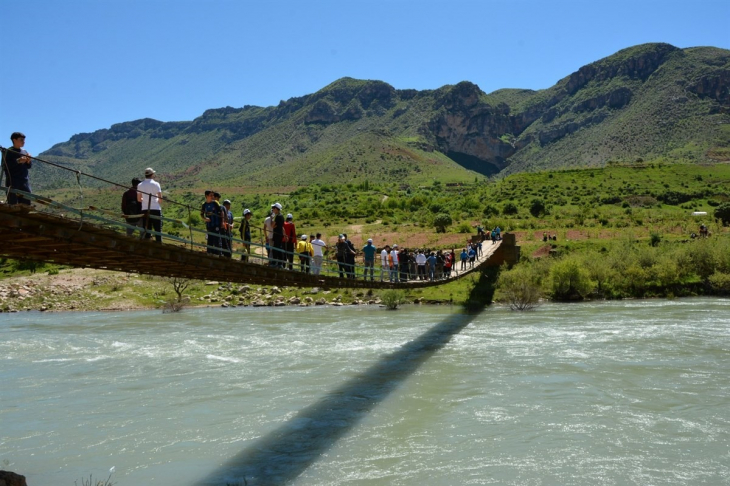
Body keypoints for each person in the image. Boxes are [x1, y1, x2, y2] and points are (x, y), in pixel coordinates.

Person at [2, 132, 33, 205]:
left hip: (24, 181)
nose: (23, 142)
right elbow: (4, 166)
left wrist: (28, 161)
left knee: (26, 203)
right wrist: (18, 161)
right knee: (13, 203)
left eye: (24, 140)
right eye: (21, 140)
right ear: (14, 140)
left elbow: (29, 166)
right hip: (13, 181)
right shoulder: (8, 151)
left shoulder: (24, 152)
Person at [137, 168, 163, 243]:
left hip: (145, 209)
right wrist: (156, 201)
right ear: (152, 175)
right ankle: (159, 244)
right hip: (156, 209)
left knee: (147, 229)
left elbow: (139, 199)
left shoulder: (140, 185)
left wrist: (145, 200)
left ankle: (147, 245)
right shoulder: (156, 184)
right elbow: (160, 199)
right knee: (158, 229)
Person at [201, 190, 221, 254]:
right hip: (209, 225)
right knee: (210, 240)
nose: (212, 197)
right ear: (206, 196)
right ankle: (209, 253)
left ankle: (218, 254)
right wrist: (205, 218)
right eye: (211, 195)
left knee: (217, 240)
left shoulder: (215, 203)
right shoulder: (204, 205)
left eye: (213, 195)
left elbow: (220, 212)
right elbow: (201, 214)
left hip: (216, 225)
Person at [271, 202, 285, 268]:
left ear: (277, 209)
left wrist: (272, 218)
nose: (273, 209)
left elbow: (272, 225)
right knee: (279, 247)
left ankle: (274, 262)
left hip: (277, 234)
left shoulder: (277, 217)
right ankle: (280, 263)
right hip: (280, 234)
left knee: (275, 248)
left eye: (274, 208)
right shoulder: (282, 216)